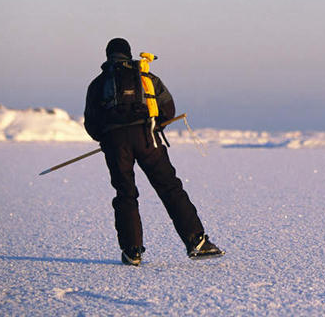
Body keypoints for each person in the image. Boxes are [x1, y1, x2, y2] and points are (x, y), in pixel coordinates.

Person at [84, 37, 223, 265]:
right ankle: (197, 241)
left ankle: (132, 251)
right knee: (170, 188)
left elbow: (91, 123)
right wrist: (154, 125)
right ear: (129, 54)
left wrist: (107, 140)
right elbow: (168, 109)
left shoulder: (98, 84)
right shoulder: (147, 77)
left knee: (125, 194)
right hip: (148, 139)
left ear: (107, 56)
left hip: (117, 144)